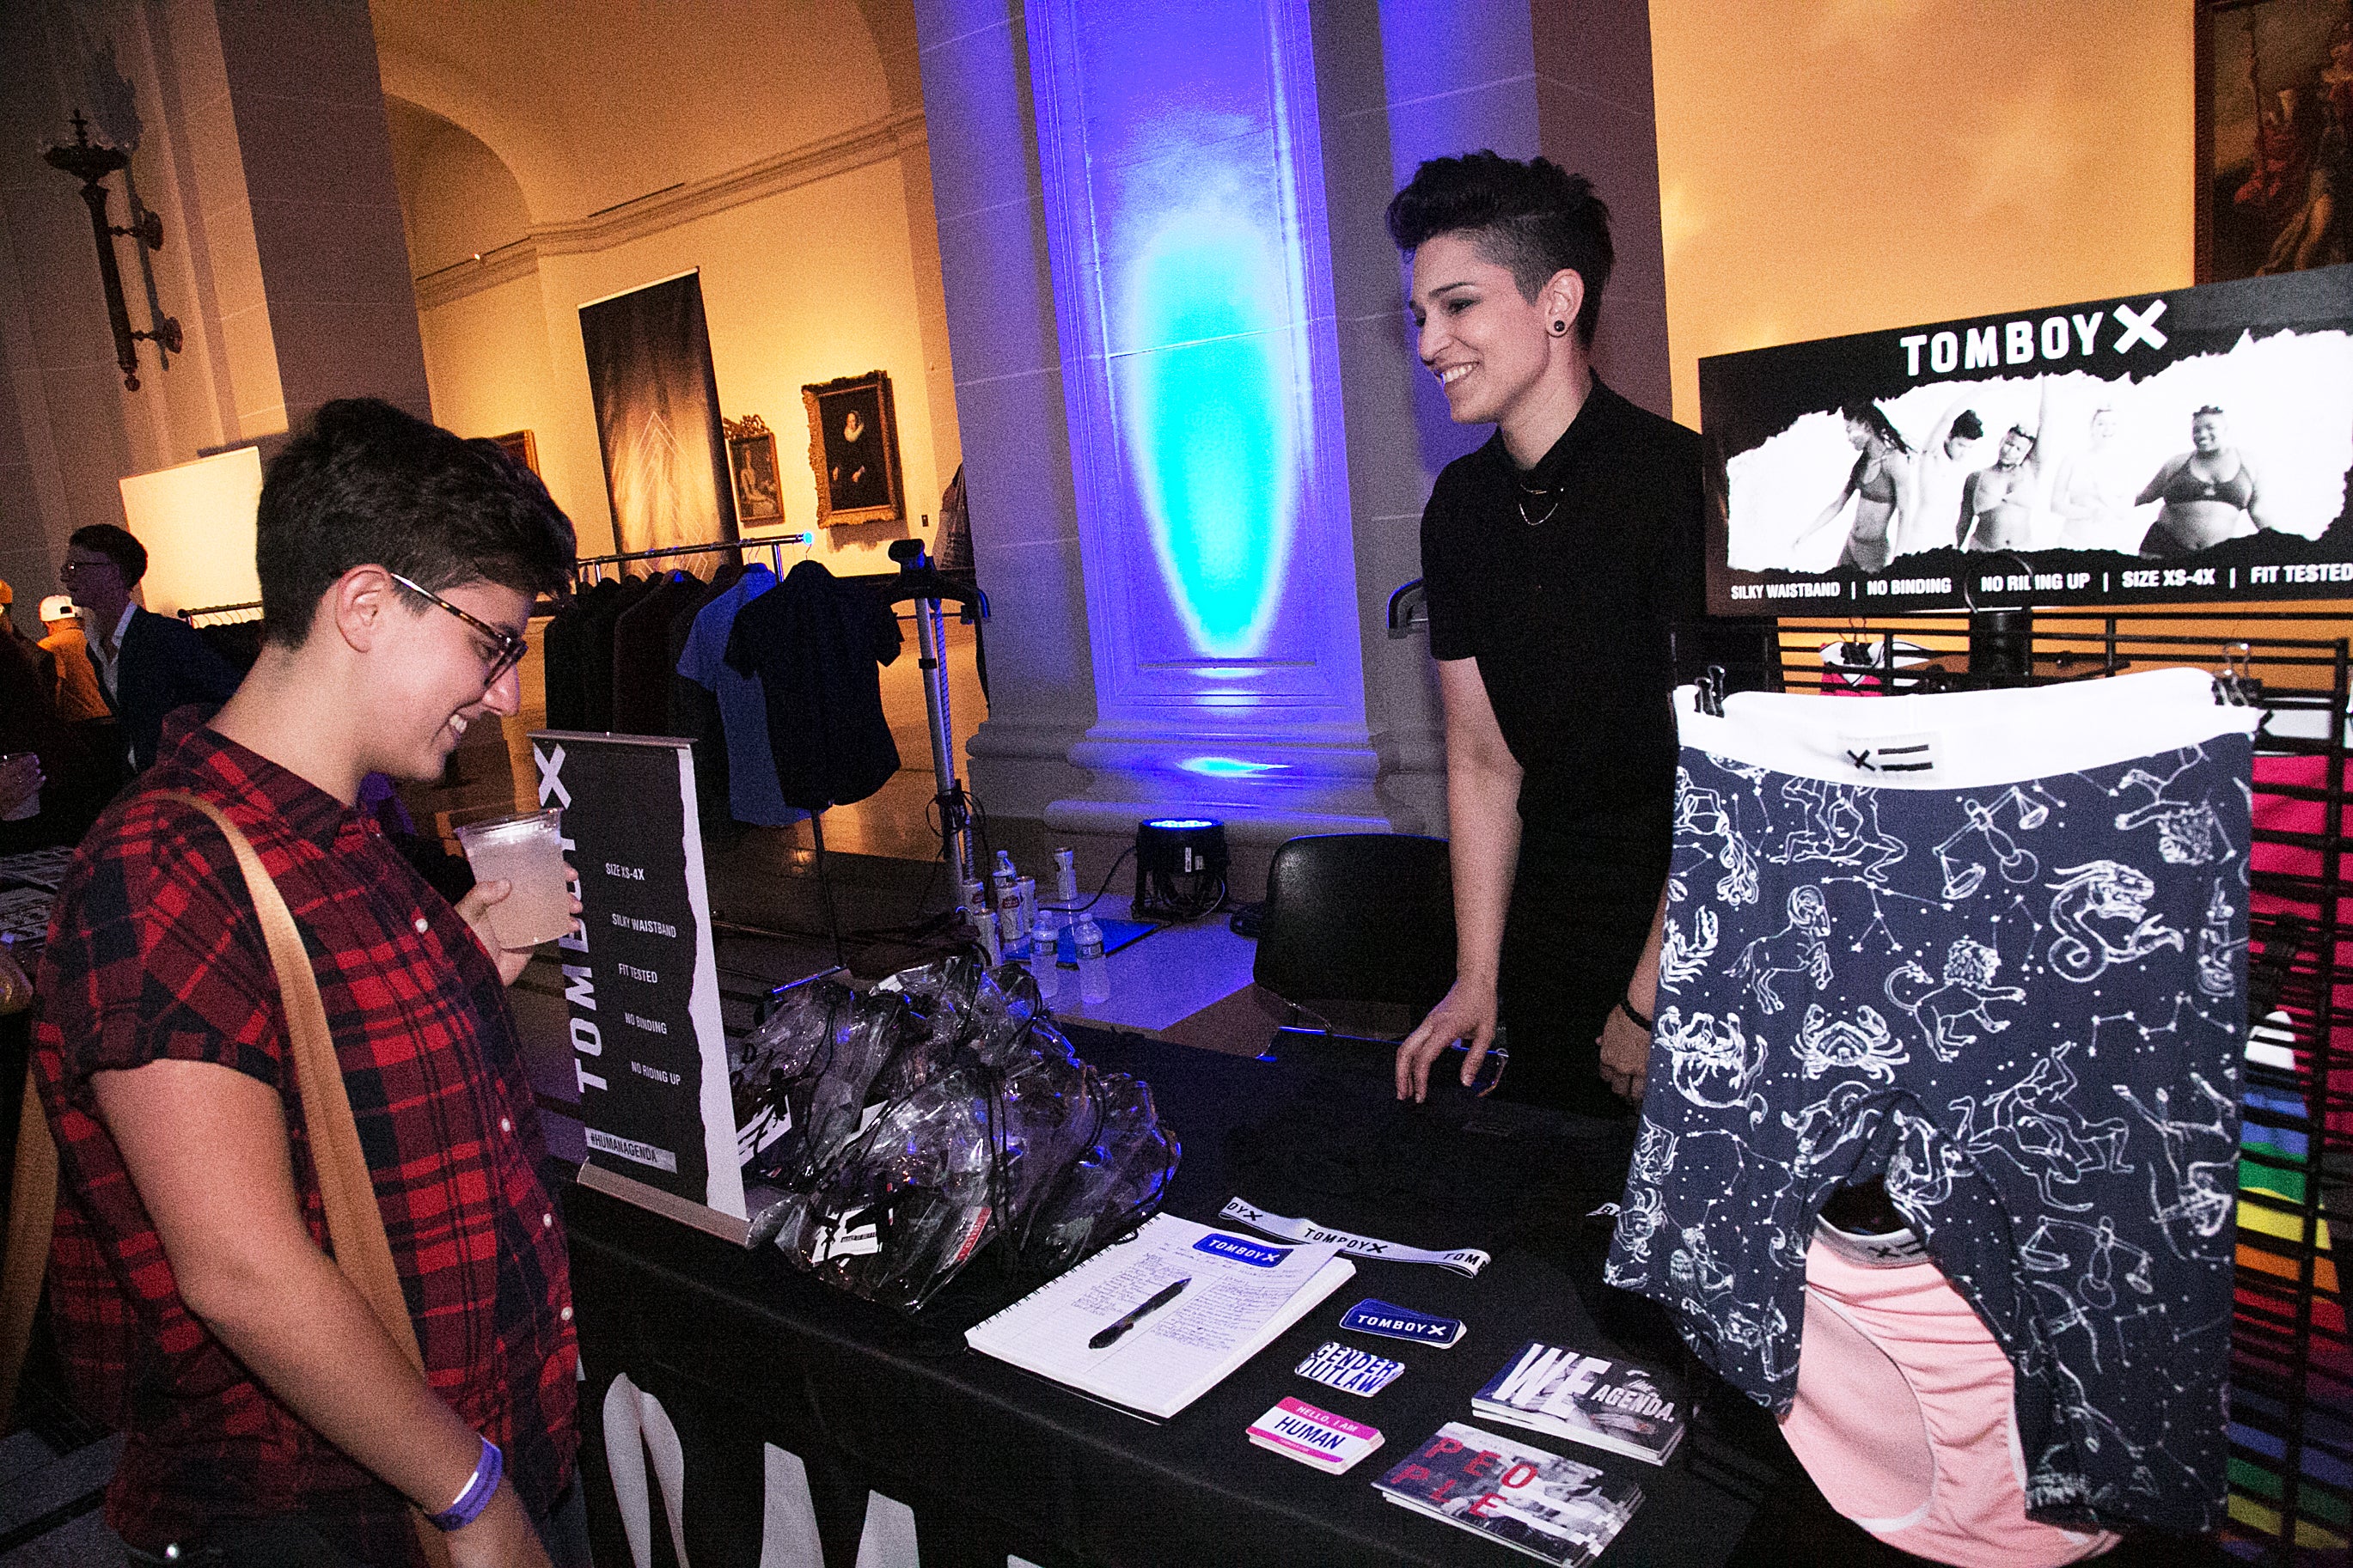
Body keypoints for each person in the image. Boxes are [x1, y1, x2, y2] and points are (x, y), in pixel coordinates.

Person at [33, 399, 585, 1565]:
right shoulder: (166, 870)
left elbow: (331, 1085)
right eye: (492, 642)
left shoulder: (330, 833)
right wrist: (472, 1495)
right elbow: (243, 1271)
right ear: (369, 605)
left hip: (456, 1453)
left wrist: (468, 956)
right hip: (339, 1513)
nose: (499, 691)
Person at [1387, 150, 1702, 1114]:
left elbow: (1727, 782)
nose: (1431, 342)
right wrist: (1477, 973)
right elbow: (1482, 759)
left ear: (1557, 300)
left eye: (1457, 306)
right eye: (1419, 317)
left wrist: (1650, 1002)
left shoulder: (1681, 486)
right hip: (1547, 921)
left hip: (1686, 922)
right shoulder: (1460, 508)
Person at [59, 522, 241, 772]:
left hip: (183, 774)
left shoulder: (162, 636)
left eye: (76, 566)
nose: (66, 576)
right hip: (149, 776)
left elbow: (229, 694)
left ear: (113, 572)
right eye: (67, 567)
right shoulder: (96, 646)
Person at [1792, 402, 1916, 573]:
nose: (1848, 437)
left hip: (1874, 554)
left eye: (1850, 430)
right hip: (1850, 546)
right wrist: (1805, 535)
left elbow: (1905, 512)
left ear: (1866, 426)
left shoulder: (1895, 461)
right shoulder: (1863, 463)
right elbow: (1837, 505)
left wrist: (1899, 559)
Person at [2135, 405, 2273, 556]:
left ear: (2226, 429)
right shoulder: (2176, 463)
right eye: (2196, 430)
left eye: (2210, 427)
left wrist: (2281, 543)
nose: (2202, 434)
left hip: (2214, 556)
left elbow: (2258, 511)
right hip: (2163, 550)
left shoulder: (2249, 464)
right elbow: (2146, 496)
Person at [1958, 383, 2051, 552]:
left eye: (2018, 449)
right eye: (2009, 444)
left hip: (2022, 551)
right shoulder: (1977, 477)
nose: (2010, 450)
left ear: (2026, 453)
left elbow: (2047, 423)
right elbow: (1964, 519)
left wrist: (2046, 380)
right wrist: (1956, 550)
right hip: (1982, 550)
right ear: (2002, 441)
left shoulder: (2030, 470)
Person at [2050, 404, 2142, 552]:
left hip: (2114, 546)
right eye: (2101, 423)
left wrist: (2103, 491)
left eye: (2113, 424)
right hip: (2073, 542)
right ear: (2092, 427)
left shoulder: (2126, 463)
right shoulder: (2073, 459)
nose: (2107, 429)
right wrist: (2089, 513)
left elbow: (2125, 511)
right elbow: (2055, 505)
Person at [1902, 401, 1983, 559]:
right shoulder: (1931, 457)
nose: (1964, 453)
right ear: (1948, 436)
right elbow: (1947, 418)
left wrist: (1956, 547)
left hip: (1948, 542)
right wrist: (1979, 389)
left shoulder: (1961, 469)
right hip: (1920, 542)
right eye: (1961, 445)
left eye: (1969, 448)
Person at [38, 591, 110, 723]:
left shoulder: (49, 646)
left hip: (81, 725)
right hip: (115, 719)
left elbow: (52, 690)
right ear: (80, 621)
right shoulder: (100, 641)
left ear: (48, 624)